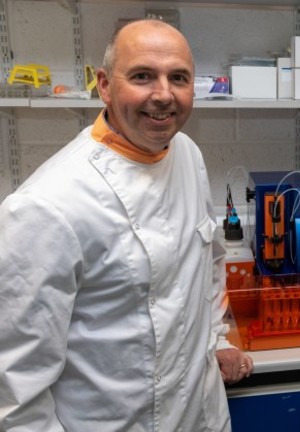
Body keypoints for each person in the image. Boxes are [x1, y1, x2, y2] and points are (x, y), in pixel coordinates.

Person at [0, 19, 252, 431]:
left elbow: (206, 262)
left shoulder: (186, 154)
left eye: (179, 78)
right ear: (104, 85)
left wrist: (218, 340)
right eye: (142, 76)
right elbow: (15, 392)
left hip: (201, 416)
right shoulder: (45, 206)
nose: (163, 95)